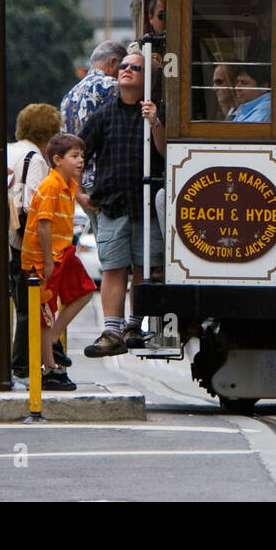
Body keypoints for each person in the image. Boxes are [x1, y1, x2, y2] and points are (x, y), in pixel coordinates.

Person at [79, 51, 165, 356]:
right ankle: (111, 331)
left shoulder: (156, 112)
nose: (126, 70)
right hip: (113, 204)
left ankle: (134, 326)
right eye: (124, 66)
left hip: (145, 206)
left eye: (135, 67)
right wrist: (78, 193)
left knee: (143, 267)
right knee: (114, 268)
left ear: (148, 79)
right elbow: (79, 152)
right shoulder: (103, 114)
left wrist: (155, 122)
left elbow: (166, 152)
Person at [21, 133, 97, 390]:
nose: (81, 161)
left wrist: (86, 200)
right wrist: (46, 262)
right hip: (44, 259)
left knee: (84, 291)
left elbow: (77, 194)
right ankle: (50, 368)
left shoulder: (67, 183)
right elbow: (43, 225)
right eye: (74, 156)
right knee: (45, 313)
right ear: (57, 160)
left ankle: (53, 340)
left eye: (82, 156)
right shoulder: (51, 185)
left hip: (64, 251)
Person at [6, 103, 64, 379]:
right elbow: (35, 208)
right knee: (31, 306)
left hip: (2, 236)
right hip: (24, 244)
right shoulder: (36, 159)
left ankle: (17, 361)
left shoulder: (8, 150)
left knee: (15, 304)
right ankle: (23, 363)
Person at [60, 41, 126, 233]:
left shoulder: (69, 95)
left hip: (80, 183)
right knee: (117, 249)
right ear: (113, 62)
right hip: (108, 180)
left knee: (103, 244)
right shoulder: (112, 86)